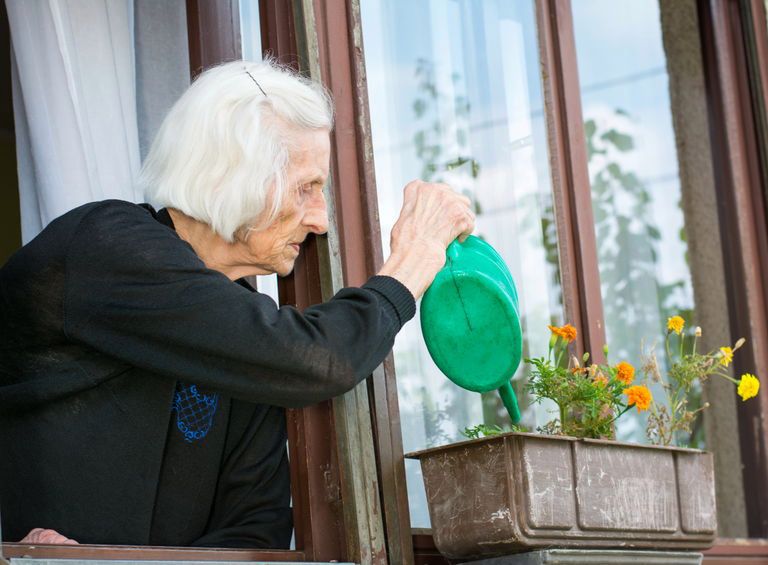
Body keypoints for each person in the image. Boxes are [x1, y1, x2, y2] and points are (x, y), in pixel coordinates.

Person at [0, 59, 474, 548]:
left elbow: (257, 530)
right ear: (232, 176)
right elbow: (317, 359)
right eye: (306, 188)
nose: (321, 220)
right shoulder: (104, 248)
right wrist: (412, 262)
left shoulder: (243, 326)